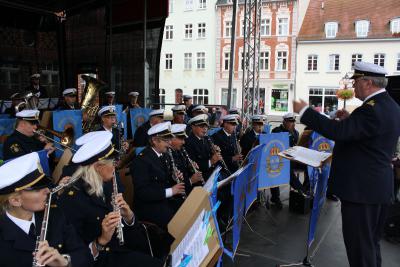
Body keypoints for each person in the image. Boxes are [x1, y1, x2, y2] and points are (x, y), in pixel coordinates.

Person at [293, 61, 400, 267]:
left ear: (368, 83)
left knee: (360, 248)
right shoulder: (390, 105)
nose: (353, 86)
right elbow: (370, 136)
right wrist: (352, 120)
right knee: (369, 245)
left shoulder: (370, 110)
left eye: (356, 81)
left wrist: (305, 111)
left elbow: (338, 133)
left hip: (362, 191)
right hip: (376, 188)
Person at [58, 131, 163, 266]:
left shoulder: (108, 183)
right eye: (113, 162)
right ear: (98, 167)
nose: (116, 166)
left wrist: (129, 217)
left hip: (119, 250)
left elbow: (130, 234)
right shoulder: (72, 199)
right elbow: (71, 255)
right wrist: (101, 240)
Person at [0, 152, 91, 267]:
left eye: (45, 186)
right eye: (37, 190)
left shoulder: (55, 215)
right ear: (15, 201)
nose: (48, 191)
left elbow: (84, 255)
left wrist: (65, 261)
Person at [130, 122, 186, 229]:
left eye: (170, 139)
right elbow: (142, 192)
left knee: (187, 209)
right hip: (148, 206)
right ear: (155, 140)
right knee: (176, 222)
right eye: (166, 140)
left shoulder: (164, 155)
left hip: (162, 201)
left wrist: (174, 178)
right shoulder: (141, 161)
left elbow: (164, 179)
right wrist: (171, 191)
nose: (170, 143)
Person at [270, 113, 303, 209]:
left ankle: (306, 190)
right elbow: (273, 146)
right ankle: (275, 198)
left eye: (293, 122)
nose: (292, 124)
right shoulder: (276, 131)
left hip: (292, 159)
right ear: (284, 122)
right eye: (290, 122)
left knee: (309, 166)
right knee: (281, 172)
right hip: (278, 160)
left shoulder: (295, 132)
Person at [184, 114, 223, 180]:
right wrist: (211, 161)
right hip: (201, 179)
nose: (205, 128)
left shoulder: (208, 139)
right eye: (202, 126)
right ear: (193, 127)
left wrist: (215, 153)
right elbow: (192, 166)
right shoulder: (188, 142)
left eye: (206, 126)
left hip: (213, 176)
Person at [169, 124, 204, 195]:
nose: (183, 142)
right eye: (181, 139)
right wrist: (191, 181)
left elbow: (184, 170)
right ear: (171, 139)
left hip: (189, 189)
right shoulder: (167, 155)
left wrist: (191, 168)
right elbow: (171, 183)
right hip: (179, 195)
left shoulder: (180, 150)